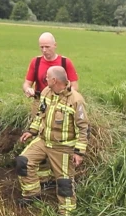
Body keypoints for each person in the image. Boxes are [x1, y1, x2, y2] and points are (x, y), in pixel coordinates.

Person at [17, 66, 87, 216]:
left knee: (64, 182)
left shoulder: (76, 100)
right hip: (43, 141)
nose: (45, 79)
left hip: (63, 147)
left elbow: (83, 128)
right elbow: (40, 114)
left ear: (54, 80)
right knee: (23, 161)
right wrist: (31, 131)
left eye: (47, 77)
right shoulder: (46, 92)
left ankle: (67, 213)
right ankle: (32, 195)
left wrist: (79, 152)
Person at [22, 32, 80, 184]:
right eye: (41, 47)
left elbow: (74, 85)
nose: (44, 50)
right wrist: (28, 89)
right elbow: (27, 82)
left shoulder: (65, 63)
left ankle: (54, 172)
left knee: (56, 136)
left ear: (55, 45)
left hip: (62, 105)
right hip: (41, 103)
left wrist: (69, 100)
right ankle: (41, 174)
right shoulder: (36, 62)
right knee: (41, 135)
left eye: (47, 46)